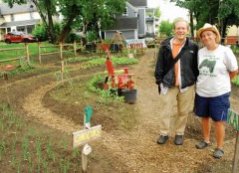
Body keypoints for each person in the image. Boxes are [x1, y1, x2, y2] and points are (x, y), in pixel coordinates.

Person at [194, 23, 238, 159]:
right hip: (202, 92)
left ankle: (219, 147)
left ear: (215, 35)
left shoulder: (225, 51)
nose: (206, 37)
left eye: (209, 34)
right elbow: (198, 71)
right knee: (204, 117)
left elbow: (234, 71)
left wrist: (222, 82)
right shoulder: (200, 52)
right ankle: (206, 140)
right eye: (203, 35)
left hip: (219, 94)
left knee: (219, 121)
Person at [154, 17, 198, 145]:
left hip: (187, 85)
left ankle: (179, 133)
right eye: (178, 28)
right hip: (168, 83)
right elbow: (159, 64)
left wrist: (193, 80)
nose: (180, 30)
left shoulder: (193, 47)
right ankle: (164, 133)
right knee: (165, 110)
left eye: (183, 28)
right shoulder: (165, 46)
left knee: (183, 111)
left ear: (187, 30)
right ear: (174, 30)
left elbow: (196, 66)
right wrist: (159, 81)